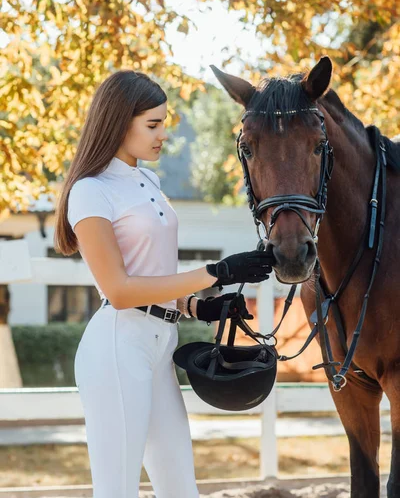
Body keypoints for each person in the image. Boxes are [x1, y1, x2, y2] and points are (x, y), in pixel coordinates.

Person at [54, 70, 273, 498]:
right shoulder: (91, 190)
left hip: (161, 344)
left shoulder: (148, 181)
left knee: (180, 490)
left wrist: (201, 307)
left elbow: (155, 276)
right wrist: (219, 271)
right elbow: (118, 290)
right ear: (119, 122)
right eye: (152, 124)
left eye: (164, 122)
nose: (163, 135)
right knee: (117, 491)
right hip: (119, 347)